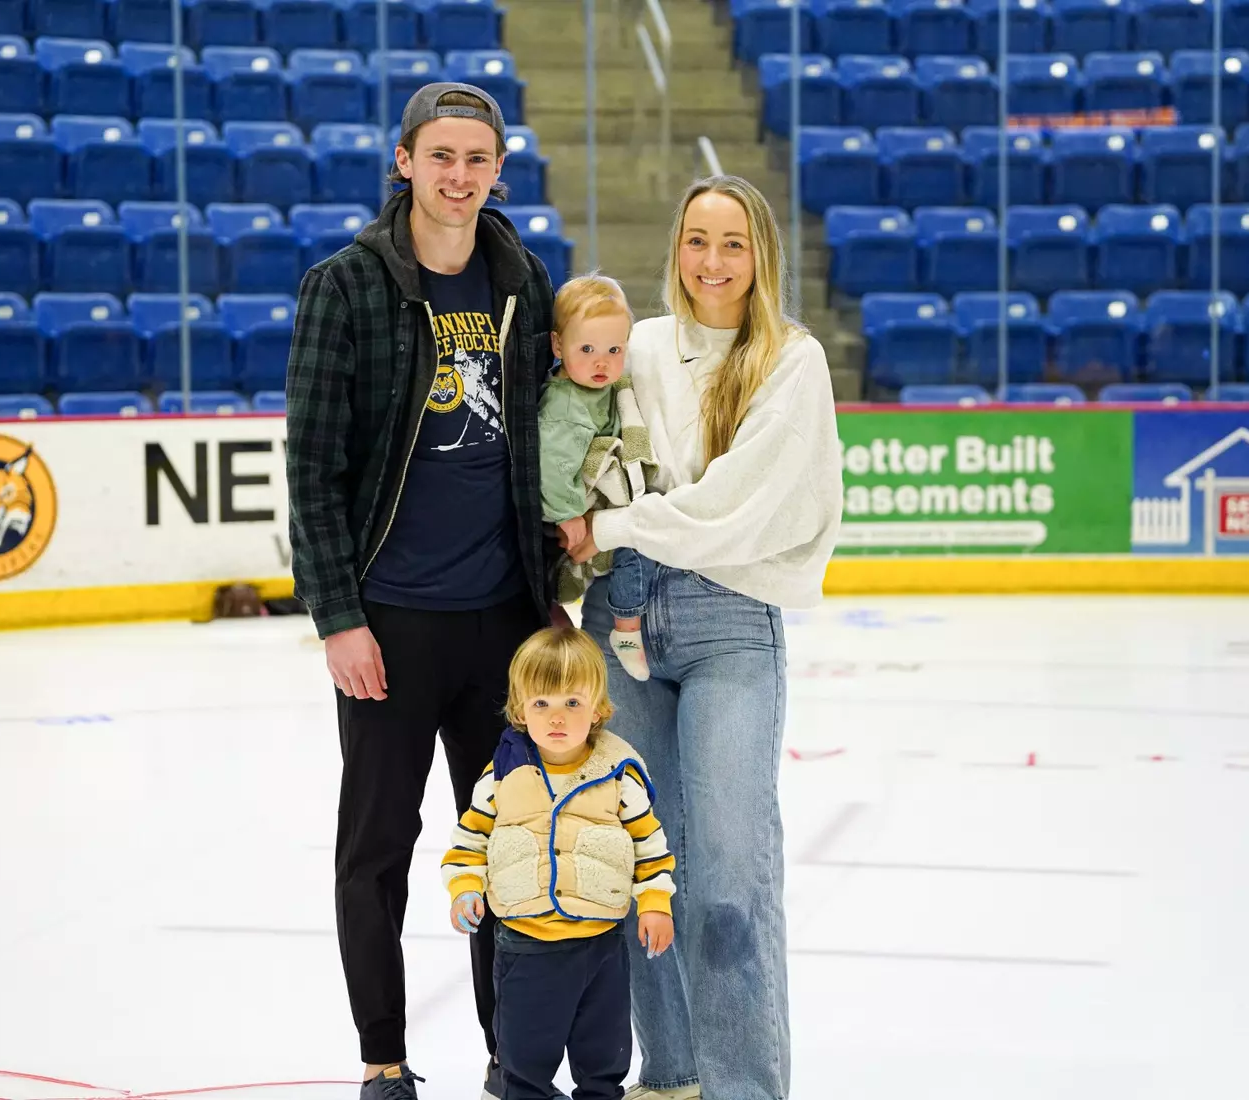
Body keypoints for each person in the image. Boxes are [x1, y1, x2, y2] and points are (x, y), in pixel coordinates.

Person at [283, 81, 560, 1100]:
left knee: (507, 847)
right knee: (379, 848)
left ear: (498, 169)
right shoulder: (347, 285)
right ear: (403, 161)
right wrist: (339, 616)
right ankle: (383, 1055)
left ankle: (511, 1052)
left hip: (503, 624)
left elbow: (542, 448)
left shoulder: (522, 279)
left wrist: (552, 583)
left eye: (476, 159)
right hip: (391, 624)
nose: (458, 176)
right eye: (439, 156)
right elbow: (310, 467)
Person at [563, 176, 845, 1100]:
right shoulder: (636, 347)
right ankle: (672, 1074)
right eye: (696, 241)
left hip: (731, 622)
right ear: (676, 249)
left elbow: (735, 511)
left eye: (732, 243)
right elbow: (570, 436)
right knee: (645, 863)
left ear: (760, 254)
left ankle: (744, 1090)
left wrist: (611, 528)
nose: (712, 263)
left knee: (727, 877)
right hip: (621, 617)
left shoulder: (789, 362)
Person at [442, 626, 677, 1100]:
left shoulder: (620, 773)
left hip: (601, 949)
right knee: (523, 1061)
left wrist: (655, 902)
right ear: (520, 710)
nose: (556, 717)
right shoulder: (502, 775)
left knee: (604, 1059)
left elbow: (649, 845)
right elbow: (470, 839)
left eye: (572, 702)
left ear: (597, 708)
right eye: (541, 704)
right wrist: (464, 886)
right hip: (526, 948)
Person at [539, 275, 659, 681]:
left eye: (614, 350)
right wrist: (568, 513)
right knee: (632, 545)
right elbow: (553, 464)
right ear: (558, 346)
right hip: (576, 511)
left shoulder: (604, 386)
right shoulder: (566, 404)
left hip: (595, 501)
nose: (601, 362)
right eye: (586, 349)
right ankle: (626, 626)